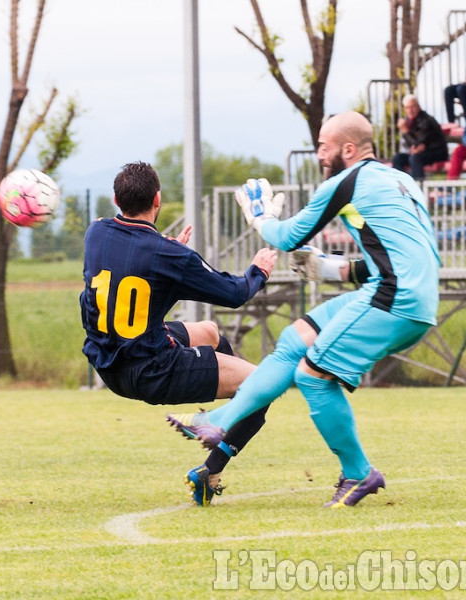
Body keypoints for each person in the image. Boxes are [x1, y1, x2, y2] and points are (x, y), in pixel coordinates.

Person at [167, 112, 440, 508]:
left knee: (311, 376)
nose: (319, 153)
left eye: (324, 146)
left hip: (394, 297)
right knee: (294, 340)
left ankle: (359, 473)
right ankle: (218, 421)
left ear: (348, 149)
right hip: (407, 292)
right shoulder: (402, 180)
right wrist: (332, 268)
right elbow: (407, 256)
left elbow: (290, 235)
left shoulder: (347, 181)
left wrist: (262, 218)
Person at [80, 161, 277, 506]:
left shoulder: (95, 232)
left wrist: (168, 250)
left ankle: (227, 415)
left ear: (115, 200)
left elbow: (134, 259)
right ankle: (211, 459)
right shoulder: (169, 255)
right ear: (157, 200)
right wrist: (258, 271)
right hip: (151, 371)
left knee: (210, 333)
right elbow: (234, 293)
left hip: (110, 362)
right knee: (262, 387)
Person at [391, 95, 448, 180]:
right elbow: (410, 144)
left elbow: (419, 142)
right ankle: (403, 183)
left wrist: (405, 131)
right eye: (407, 107)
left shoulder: (426, 120)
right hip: (422, 152)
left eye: (412, 107)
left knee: (414, 158)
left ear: (418, 107)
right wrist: (413, 149)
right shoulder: (408, 121)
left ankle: (419, 186)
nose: (410, 110)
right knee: (397, 158)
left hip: (437, 152)